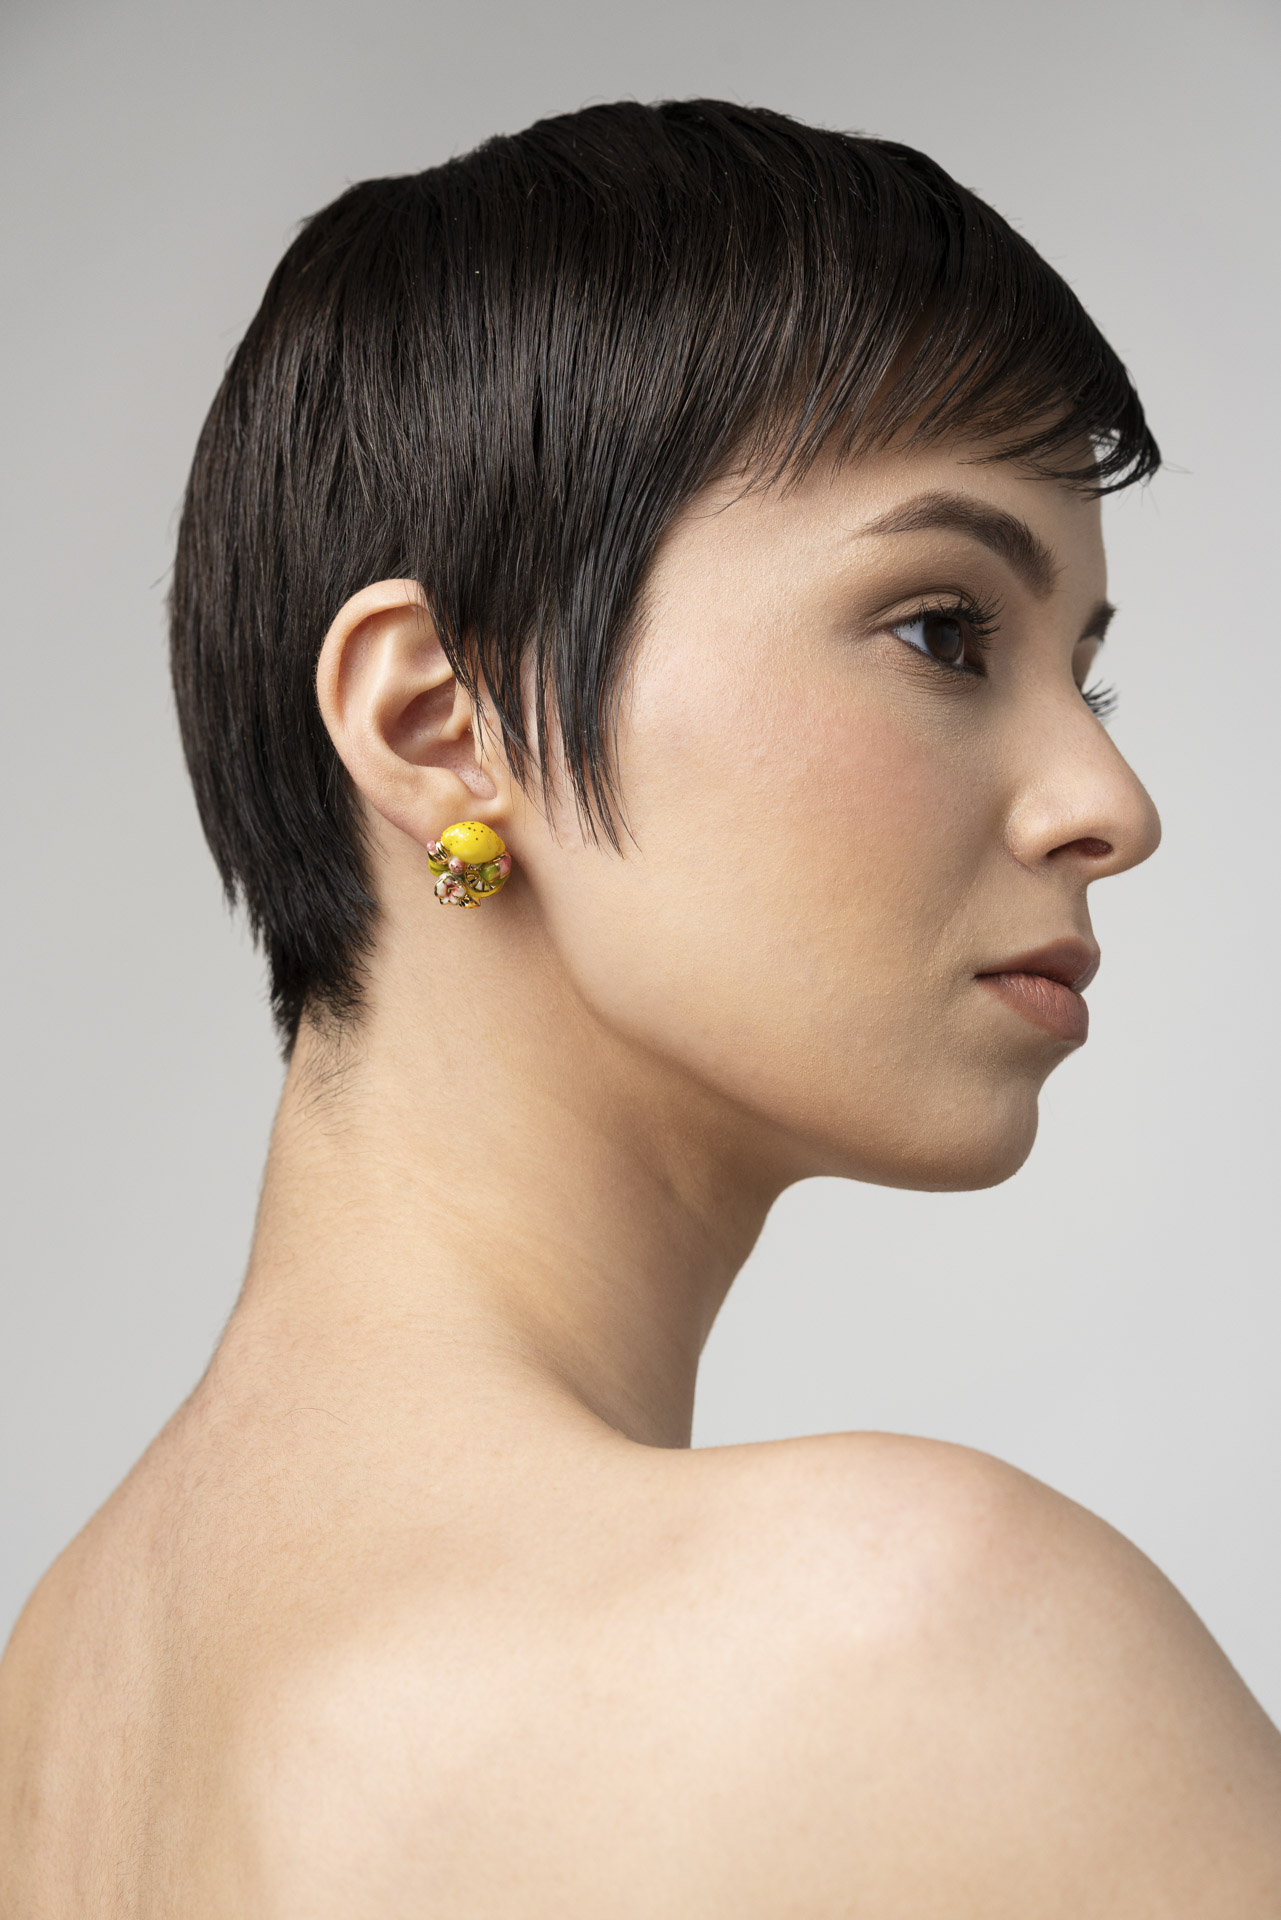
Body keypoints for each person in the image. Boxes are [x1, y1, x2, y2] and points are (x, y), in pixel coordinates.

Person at [2, 96, 1278, 1916]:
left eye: (1088, 676)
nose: (1107, 804)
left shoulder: (50, 1716)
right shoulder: (909, 1641)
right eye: (943, 631)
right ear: (441, 725)